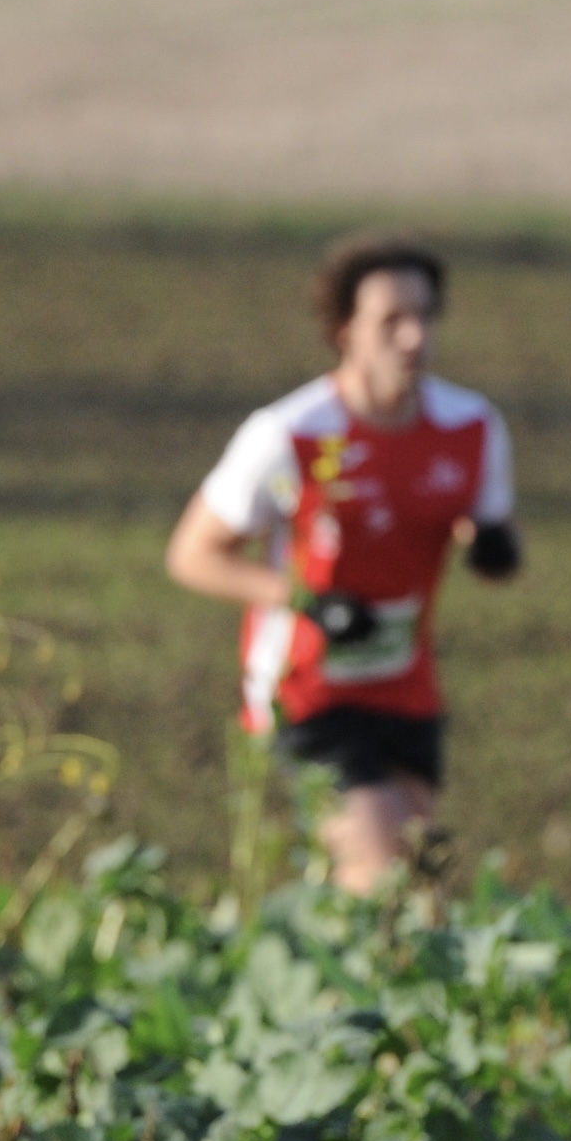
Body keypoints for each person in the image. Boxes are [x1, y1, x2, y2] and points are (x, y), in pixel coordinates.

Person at [167, 236, 520, 896]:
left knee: (420, 884)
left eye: (425, 316)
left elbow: (484, 534)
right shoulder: (290, 433)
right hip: (306, 689)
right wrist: (306, 599)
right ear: (344, 331)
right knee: (380, 877)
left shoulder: (471, 427)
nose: (413, 337)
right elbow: (192, 555)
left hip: (406, 685)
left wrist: (493, 549)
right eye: (391, 321)